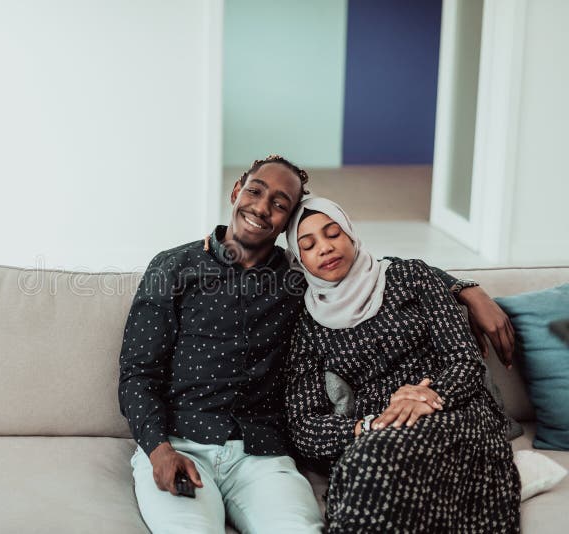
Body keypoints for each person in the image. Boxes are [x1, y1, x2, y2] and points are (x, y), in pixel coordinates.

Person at [118, 155, 515, 534]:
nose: (261, 207)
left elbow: (373, 269)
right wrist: (157, 449)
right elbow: (138, 373)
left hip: (262, 454)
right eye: (255, 191)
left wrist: (465, 289)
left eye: (279, 203)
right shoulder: (173, 267)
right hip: (182, 440)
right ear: (236, 190)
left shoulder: (299, 282)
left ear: (286, 223)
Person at [283, 197, 520, 533]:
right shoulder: (309, 324)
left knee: (370, 462)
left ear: (350, 234)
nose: (325, 247)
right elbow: (304, 425)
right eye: (308, 245)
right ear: (300, 259)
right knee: (369, 458)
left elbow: (464, 360)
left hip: (455, 411)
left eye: (333, 233)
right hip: (379, 431)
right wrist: (369, 426)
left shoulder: (411, 276)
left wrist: (424, 397)